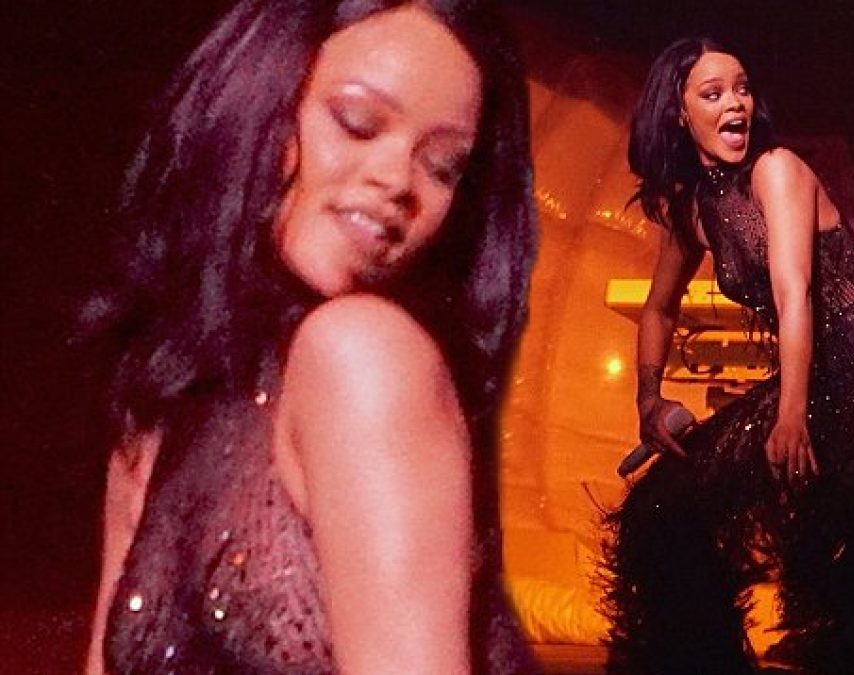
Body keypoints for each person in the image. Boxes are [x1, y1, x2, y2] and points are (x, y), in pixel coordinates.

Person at [80, 0, 537, 673]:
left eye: (443, 166)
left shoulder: (362, 354)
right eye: (357, 123)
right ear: (254, 101)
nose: (396, 180)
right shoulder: (163, 401)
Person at [601, 37, 854, 675]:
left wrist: (790, 415)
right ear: (678, 113)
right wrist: (648, 401)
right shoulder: (689, 207)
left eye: (742, 88)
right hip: (821, 387)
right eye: (713, 93)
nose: (736, 103)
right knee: (664, 506)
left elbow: (795, 294)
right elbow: (658, 309)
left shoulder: (777, 170)